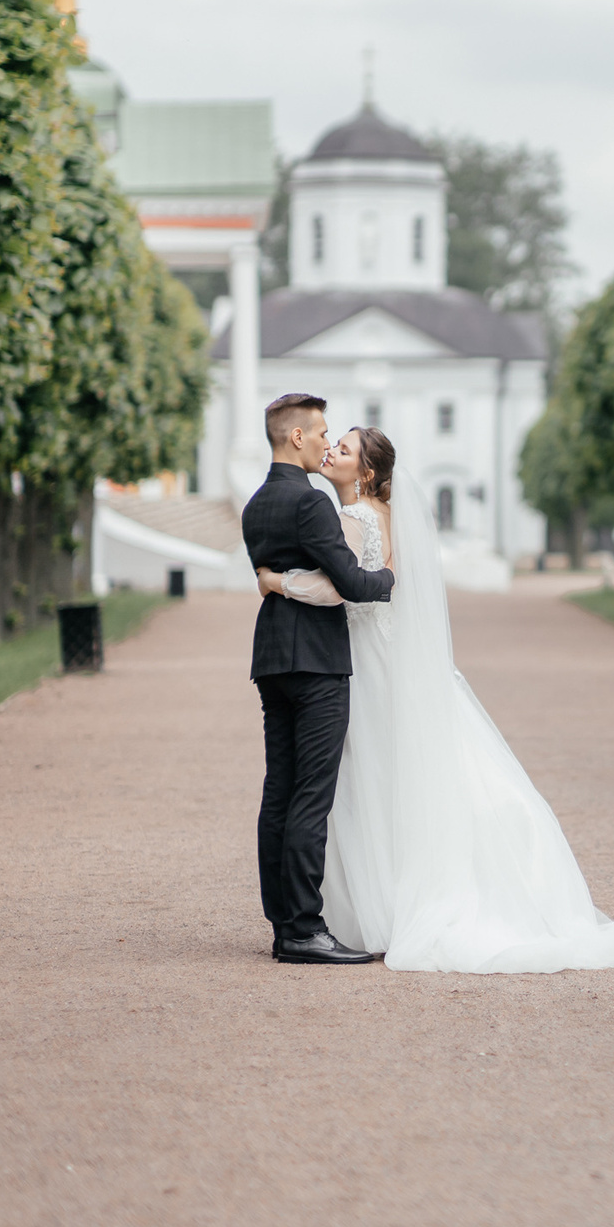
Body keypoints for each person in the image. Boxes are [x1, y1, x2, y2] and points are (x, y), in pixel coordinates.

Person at [259, 424, 614, 974]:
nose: (332, 449)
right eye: (333, 442)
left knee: (368, 779)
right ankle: (385, 900)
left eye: (345, 448)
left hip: (359, 658)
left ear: (365, 474)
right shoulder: (388, 518)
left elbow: (334, 586)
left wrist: (276, 582)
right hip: (390, 654)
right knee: (402, 775)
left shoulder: (353, 517)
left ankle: (372, 907)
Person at [241, 393, 396, 966]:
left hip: (273, 658)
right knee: (312, 795)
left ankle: (284, 922)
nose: (328, 441)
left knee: (278, 791)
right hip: (317, 663)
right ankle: (305, 927)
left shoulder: (255, 504)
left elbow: (279, 573)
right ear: (296, 437)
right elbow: (349, 585)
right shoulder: (312, 505)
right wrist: (389, 581)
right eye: (323, 431)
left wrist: (276, 583)